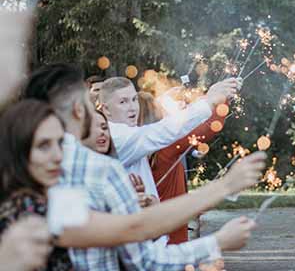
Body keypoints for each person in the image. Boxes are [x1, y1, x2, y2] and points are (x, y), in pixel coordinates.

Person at [23, 63, 266, 270]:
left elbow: (84, 231)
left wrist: (132, 206)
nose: (131, 107)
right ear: (81, 109)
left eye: (132, 100)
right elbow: (142, 258)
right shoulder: (98, 164)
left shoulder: (27, 169)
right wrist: (219, 231)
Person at [98, 76, 239, 203]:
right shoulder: (115, 137)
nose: (132, 108)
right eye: (123, 102)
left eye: (134, 99)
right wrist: (211, 101)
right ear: (106, 109)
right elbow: (166, 130)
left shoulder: (128, 134)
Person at [0, 100, 73, 270]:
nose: (58, 156)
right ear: (19, 151)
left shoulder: (15, 200)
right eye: (43, 146)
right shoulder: (29, 208)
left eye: (60, 142)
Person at [138, 91, 213, 244]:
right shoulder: (166, 146)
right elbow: (207, 129)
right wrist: (219, 101)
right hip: (171, 228)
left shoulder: (130, 144)